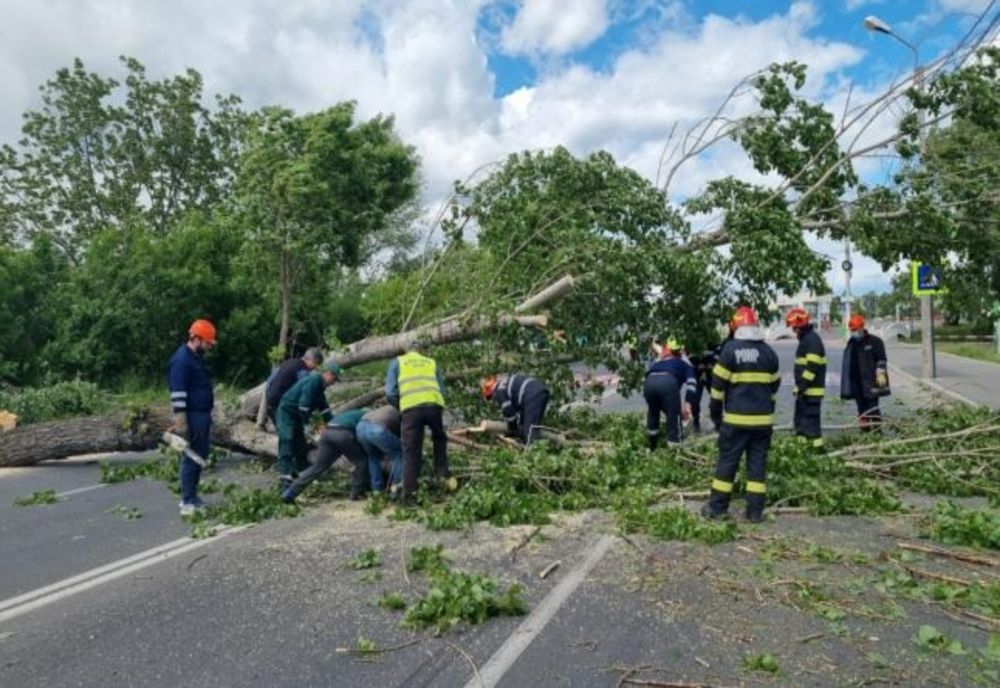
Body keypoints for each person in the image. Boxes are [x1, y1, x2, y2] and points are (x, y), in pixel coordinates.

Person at [703, 307, 781, 523]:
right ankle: (754, 513)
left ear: (735, 326)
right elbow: (774, 385)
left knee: (727, 464)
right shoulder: (769, 353)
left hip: (736, 422)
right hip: (763, 423)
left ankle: (717, 509)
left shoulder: (729, 351)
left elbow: (716, 389)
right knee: (757, 466)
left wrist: (717, 418)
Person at [385, 342, 452, 503]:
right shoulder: (431, 362)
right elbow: (442, 390)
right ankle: (442, 481)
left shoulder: (397, 362)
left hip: (411, 409)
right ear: (420, 351)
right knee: (439, 441)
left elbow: (390, 392)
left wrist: (400, 406)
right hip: (433, 406)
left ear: (406, 351)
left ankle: (410, 497)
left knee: (411, 451)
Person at [167, 319, 217, 515]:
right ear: (195, 339)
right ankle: (187, 501)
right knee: (192, 456)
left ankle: (193, 496)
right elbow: (178, 393)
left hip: (202, 414)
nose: (208, 347)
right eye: (207, 343)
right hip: (192, 415)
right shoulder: (181, 360)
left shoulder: (195, 358)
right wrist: (181, 422)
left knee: (200, 455)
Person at [275, 361, 342, 490]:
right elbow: (303, 406)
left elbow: (325, 410)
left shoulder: (320, 388)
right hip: (287, 413)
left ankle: (304, 474)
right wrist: (308, 425)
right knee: (287, 441)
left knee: (301, 445)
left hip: (297, 416)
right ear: (327, 374)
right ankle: (285, 480)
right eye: (334, 378)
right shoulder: (314, 381)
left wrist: (335, 425)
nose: (334, 382)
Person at [281, 408, 367, 503]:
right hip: (342, 434)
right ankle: (357, 493)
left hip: (327, 433)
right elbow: (364, 435)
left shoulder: (351, 413)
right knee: (360, 462)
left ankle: (290, 492)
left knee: (318, 467)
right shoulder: (367, 416)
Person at [643, 338, 697, 448]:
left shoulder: (659, 361)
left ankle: (652, 446)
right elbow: (692, 384)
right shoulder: (685, 363)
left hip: (649, 382)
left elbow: (648, 373)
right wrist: (687, 406)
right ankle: (674, 450)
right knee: (674, 418)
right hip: (668, 382)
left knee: (653, 413)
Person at [840, 314, 890, 431]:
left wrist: (881, 376)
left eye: (856, 330)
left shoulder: (875, 342)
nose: (854, 332)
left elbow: (882, 359)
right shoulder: (851, 343)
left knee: (872, 409)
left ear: (862, 327)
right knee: (861, 411)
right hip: (857, 385)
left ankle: (877, 432)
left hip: (871, 383)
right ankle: (865, 433)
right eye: (852, 330)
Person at [787, 307, 827, 451]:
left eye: (794, 327)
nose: (793, 330)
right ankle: (801, 451)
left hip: (811, 392)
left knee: (810, 425)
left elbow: (812, 367)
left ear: (800, 325)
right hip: (806, 392)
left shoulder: (811, 340)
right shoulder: (807, 339)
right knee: (801, 423)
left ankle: (817, 453)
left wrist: (801, 386)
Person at [481, 373, 551, 445]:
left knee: (530, 430)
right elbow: (517, 413)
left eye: (491, 396)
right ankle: (526, 445)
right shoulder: (505, 382)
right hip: (539, 391)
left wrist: (512, 427)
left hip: (531, 395)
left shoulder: (499, 391)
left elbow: (508, 411)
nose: (493, 398)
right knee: (527, 425)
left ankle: (532, 452)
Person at [264, 348, 324, 427]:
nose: (315, 368)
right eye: (316, 364)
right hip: (280, 405)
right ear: (311, 360)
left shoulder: (289, 362)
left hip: (270, 401)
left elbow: (270, 380)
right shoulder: (303, 370)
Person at [355, 405, 404, 497]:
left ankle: (377, 491)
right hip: (377, 429)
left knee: (373, 458)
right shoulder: (399, 414)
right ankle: (396, 490)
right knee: (399, 455)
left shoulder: (381, 410)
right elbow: (400, 436)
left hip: (360, 428)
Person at [687, 345, 718, 433]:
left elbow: (718, 353)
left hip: (710, 374)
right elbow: (688, 356)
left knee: (716, 399)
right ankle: (696, 423)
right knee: (695, 401)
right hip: (697, 374)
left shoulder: (711, 338)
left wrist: (712, 363)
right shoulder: (692, 340)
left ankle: (717, 422)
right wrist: (696, 364)